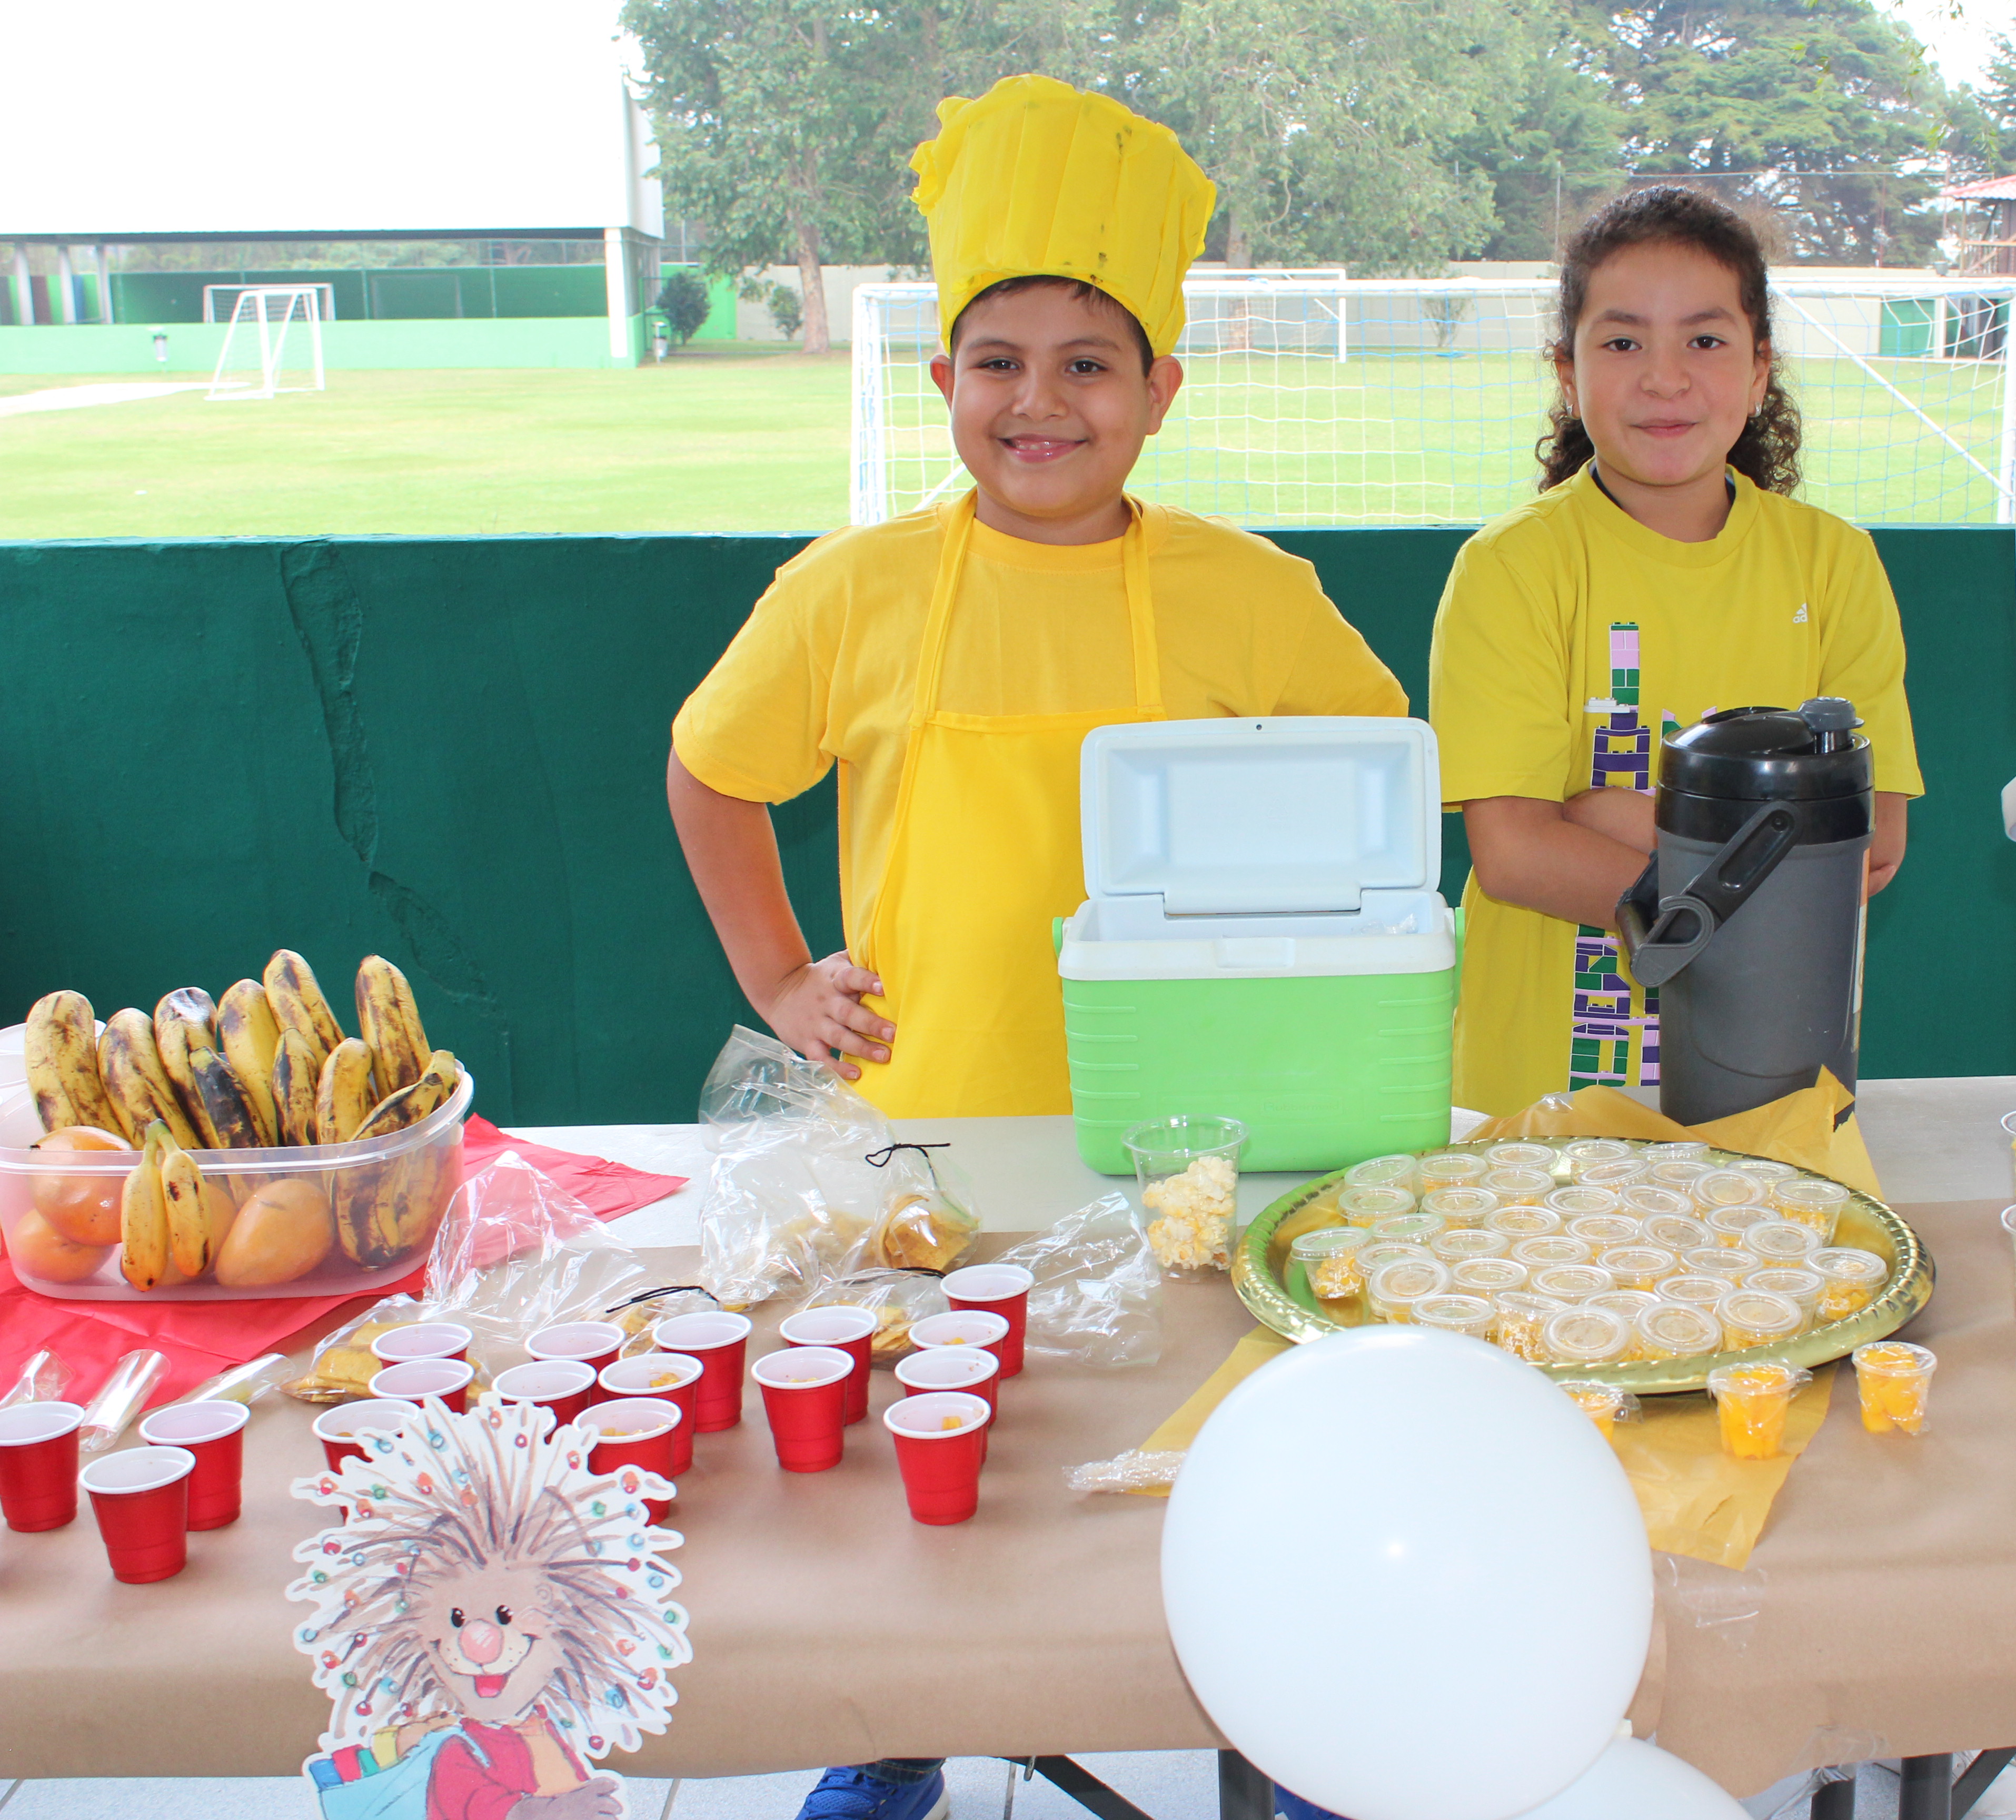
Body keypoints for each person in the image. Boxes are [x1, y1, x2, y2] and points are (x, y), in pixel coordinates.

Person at [664, 74, 1405, 1820]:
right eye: (998, 360)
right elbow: (712, 768)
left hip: (1210, 1137)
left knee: (1234, 1453)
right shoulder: (847, 591)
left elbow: (1378, 790)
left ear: (1161, 390)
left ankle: (1291, 1724)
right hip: (932, 1131)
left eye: (1089, 363)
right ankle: (891, 1730)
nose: (1040, 401)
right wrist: (777, 978)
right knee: (934, 1457)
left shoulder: (1252, 593)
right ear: (942, 381)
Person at [1428, 186, 1923, 1116]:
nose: (1664, 378)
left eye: (1704, 340)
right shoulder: (1511, 568)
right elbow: (1516, 856)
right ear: (1568, 373)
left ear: (1760, 369)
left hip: (1768, 1091)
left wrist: (1601, 814)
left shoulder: (1834, 565)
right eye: (1622, 343)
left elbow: (1871, 845)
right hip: (1542, 1102)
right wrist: (1763, 867)